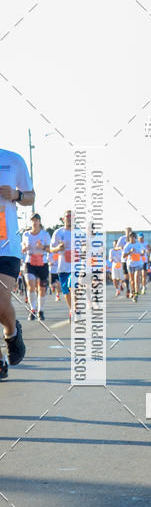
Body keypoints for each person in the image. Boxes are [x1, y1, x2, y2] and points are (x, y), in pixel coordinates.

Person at [0, 147, 33, 378]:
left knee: (1, 303)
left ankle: (11, 333)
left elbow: (30, 196)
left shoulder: (13, 159)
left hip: (6, 243)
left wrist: (17, 195)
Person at [22, 213, 51, 321]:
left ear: (39, 222)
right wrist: (25, 248)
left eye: (36, 220)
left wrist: (42, 247)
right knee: (31, 284)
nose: (34, 222)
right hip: (29, 262)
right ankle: (32, 309)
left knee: (42, 289)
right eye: (32, 220)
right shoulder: (26, 234)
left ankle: (41, 310)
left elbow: (49, 249)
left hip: (42, 262)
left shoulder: (45, 235)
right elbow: (23, 248)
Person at [50, 210, 73, 319]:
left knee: (73, 286)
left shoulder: (79, 233)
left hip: (75, 267)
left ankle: (76, 310)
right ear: (63, 219)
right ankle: (72, 309)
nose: (69, 218)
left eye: (71, 216)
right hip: (63, 266)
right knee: (66, 291)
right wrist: (58, 248)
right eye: (67, 216)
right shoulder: (58, 233)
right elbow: (51, 249)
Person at [122, 231, 145, 301]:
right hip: (130, 264)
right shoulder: (127, 245)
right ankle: (133, 291)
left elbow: (143, 252)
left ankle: (136, 294)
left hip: (138, 264)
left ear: (135, 238)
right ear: (129, 238)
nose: (132, 239)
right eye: (130, 237)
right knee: (132, 281)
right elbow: (123, 256)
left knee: (136, 279)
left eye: (133, 237)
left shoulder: (139, 244)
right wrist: (130, 252)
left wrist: (142, 253)